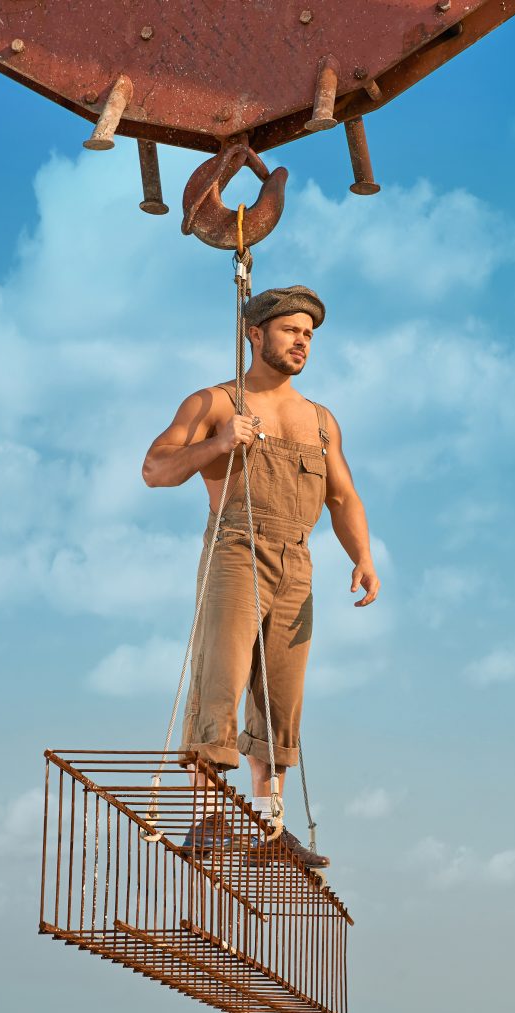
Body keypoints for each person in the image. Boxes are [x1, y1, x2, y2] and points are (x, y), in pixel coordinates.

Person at [142, 286, 380, 868]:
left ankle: (270, 825)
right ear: (255, 332)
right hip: (236, 547)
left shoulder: (320, 421)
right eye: (291, 330)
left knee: (281, 694)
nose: (302, 341)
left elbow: (343, 497)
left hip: (296, 560)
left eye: (309, 334)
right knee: (221, 674)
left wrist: (363, 558)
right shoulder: (215, 403)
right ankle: (206, 816)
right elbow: (154, 469)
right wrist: (221, 443)